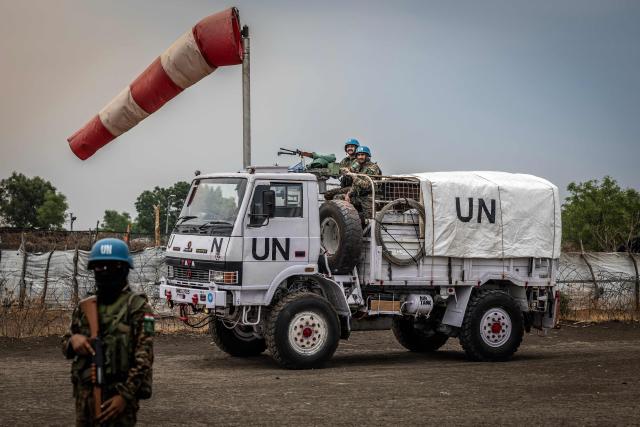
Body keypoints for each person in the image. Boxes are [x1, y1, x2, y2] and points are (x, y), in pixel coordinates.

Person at [62, 238, 154, 426]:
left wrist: (125, 396)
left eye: (110, 267)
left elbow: (144, 358)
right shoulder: (86, 306)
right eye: (99, 267)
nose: (104, 272)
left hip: (118, 400)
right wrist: (74, 341)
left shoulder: (137, 307)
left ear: (124, 269)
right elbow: (66, 341)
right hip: (85, 397)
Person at [345, 146, 382, 222]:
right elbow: (356, 185)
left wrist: (354, 177)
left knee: (370, 222)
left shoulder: (373, 168)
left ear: (367, 156)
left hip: (370, 198)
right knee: (339, 198)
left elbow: (366, 185)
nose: (360, 157)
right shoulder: (360, 167)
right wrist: (349, 194)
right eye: (358, 155)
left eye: (362, 155)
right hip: (360, 196)